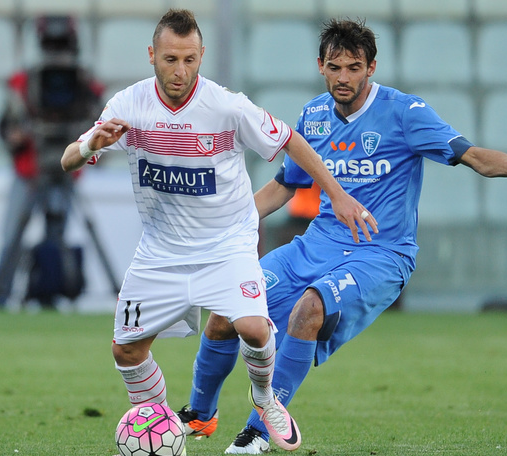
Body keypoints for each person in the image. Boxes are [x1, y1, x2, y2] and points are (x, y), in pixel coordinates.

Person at [184, 18, 507, 454]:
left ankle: (257, 431)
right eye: (335, 67)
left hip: (381, 254)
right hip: (317, 244)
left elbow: (472, 156)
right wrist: (230, 222)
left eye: (354, 67)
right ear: (321, 66)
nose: (343, 77)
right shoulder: (314, 116)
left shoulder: (405, 113)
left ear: (371, 68)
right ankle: (199, 413)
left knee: (310, 309)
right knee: (227, 307)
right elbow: (286, 185)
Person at [59, 10, 376, 453]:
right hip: (160, 251)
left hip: (227, 243)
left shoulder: (227, 106)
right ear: (152, 55)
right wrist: (92, 143)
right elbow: (68, 160)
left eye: (190, 59)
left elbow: (290, 140)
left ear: (202, 55)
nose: (180, 70)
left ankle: (265, 400)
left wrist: (337, 194)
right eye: (170, 59)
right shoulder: (128, 104)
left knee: (254, 329)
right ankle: (159, 426)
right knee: (125, 352)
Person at [0, 15, 104, 310]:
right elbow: (4, 125)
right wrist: (15, 134)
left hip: (65, 169)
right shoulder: (24, 82)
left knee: (57, 235)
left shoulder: (84, 83)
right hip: (30, 171)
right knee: (12, 236)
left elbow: (98, 121)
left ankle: (48, 294)